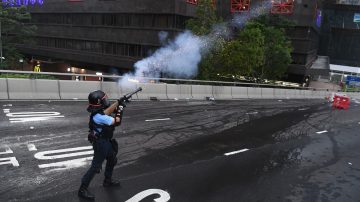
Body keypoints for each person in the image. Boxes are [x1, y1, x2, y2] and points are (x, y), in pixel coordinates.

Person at [78, 90, 124, 200]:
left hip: (105, 141)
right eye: (104, 99)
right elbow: (117, 121)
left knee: (112, 159)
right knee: (95, 167)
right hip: (101, 144)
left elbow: (106, 112)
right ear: (99, 102)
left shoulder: (98, 113)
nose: (106, 100)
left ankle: (107, 180)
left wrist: (118, 102)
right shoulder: (99, 117)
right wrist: (120, 109)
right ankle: (82, 189)